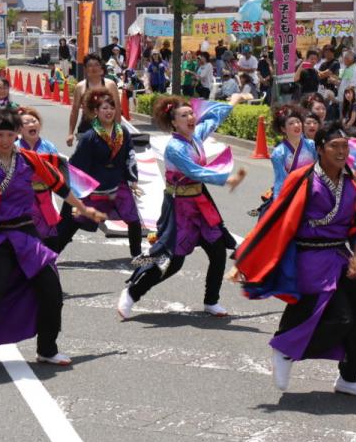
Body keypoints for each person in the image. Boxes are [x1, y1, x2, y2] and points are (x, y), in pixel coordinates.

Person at [0, 109, 106, 373]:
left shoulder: (29, 160)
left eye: (10, 134)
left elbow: (59, 184)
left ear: (17, 134)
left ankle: (47, 349)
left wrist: (83, 208)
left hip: (27, 234)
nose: (5, 140)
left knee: (51, 290)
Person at [232, 121, 356, 397]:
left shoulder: (352, 183)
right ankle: (284, 349)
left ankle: (350, 377)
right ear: (320, 148)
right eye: (334, 145)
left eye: (345, 146)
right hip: (309, 258)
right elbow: (276, 219)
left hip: (340, 255)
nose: (341, 151)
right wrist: (247, 257)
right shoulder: (302, 179)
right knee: (340, 319)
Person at [119, 96, 247, 320]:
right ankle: (132, 293)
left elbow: (213, 119)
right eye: (184, 115)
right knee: (173, 262)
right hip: (180, 210)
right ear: (174, 123)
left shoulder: (195, 136)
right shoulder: (175, 148)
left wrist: (234, 101)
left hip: (200, 205)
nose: (190, 117)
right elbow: (194, 172)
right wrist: (227, 179)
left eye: (191, 113)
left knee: (217, 252)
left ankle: (211, 301)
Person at [53, 89, 143, 257]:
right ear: (95, 111)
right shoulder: (89, 137)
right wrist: (74, 189)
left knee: (134, 220)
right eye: (104, 108)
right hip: (95, 189)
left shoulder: (123, 132)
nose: (109, 112)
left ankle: (137, 257)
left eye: (111, 108)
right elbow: (77, 164)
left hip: (118, 184)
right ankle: (50, 254)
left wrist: (133, 179)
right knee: (73, 223)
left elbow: (130, 155)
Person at [252, 104, 317, 217]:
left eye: (298, 121)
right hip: (292, 195)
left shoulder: (312, 145)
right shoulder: (279, 153)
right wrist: (278, 205)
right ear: (283, 129)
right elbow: (280, 181)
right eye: (291, 123)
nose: (297, 125)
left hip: (313, 192)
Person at [15, 106, 65, 244]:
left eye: (34, 121)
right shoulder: (15, 148)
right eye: (26, 123)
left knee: (49, 240)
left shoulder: (49, 147)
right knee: (26, 240)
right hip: (23, 201)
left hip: (45, 198)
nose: (32, 124)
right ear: (19, 129)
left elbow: (58, 173)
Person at [67, 54, 122, 144]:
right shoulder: (80, 87)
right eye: (90, 65)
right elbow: (74, 111)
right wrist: (70, 133)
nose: (94, 68)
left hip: (107, 128)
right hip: (86, 128)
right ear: (85, 69)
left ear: (101, 68)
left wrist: (118, 131)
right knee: (86, 156)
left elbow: (117, 109)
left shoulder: (110, 85)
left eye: (96, 65)